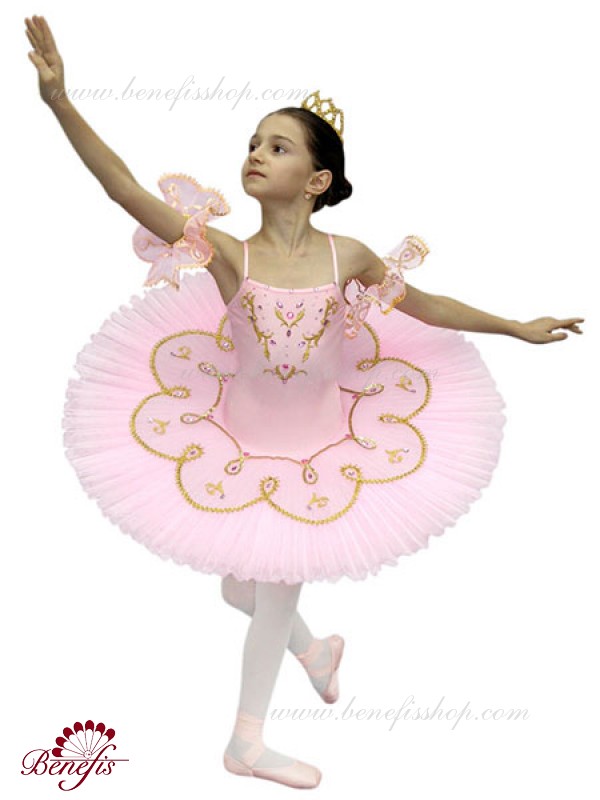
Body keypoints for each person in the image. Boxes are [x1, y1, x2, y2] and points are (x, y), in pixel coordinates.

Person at [25, 14, 584, 790]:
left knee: (266, 581)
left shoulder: (347, 256)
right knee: (246, 583)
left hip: (322, 453)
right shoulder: (227, 253)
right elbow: (121, 187)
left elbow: (427, 306)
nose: (256, 153)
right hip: (238, 442)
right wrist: (61, 101)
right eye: (254, 142)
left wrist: (516, 325)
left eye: (279, 146)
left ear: (318, 181)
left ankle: (247, 740)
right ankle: (310, 660)